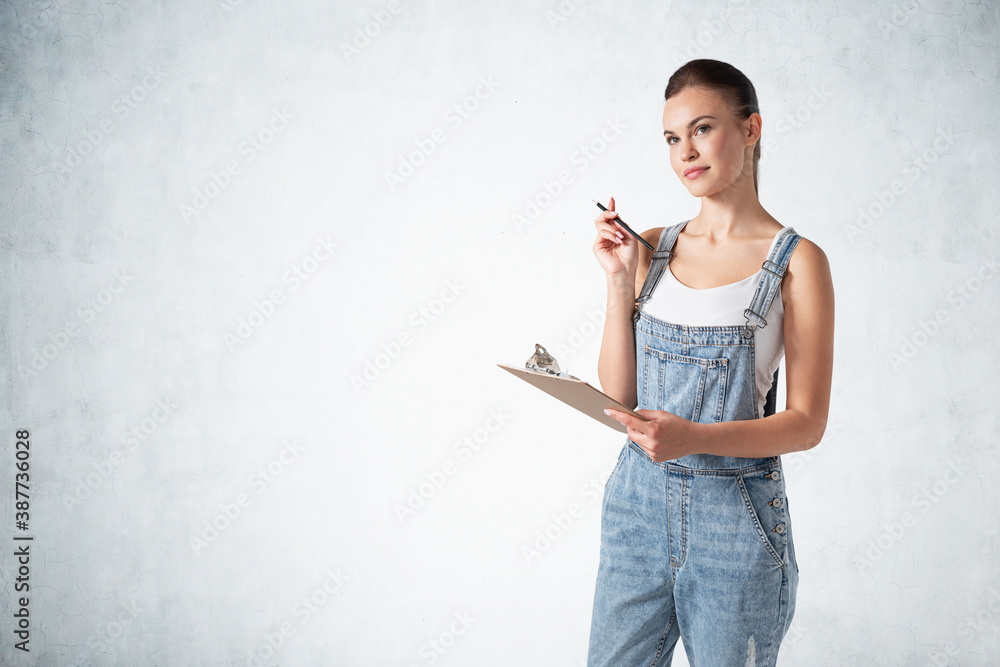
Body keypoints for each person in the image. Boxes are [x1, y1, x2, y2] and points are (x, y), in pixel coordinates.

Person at [587, 59, 835, 666]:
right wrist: (619, 284)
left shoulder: (798, 262)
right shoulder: (651, 245)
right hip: (636, 508)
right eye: (673, 138)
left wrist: (693, 437)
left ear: (751, 129)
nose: (685, 153)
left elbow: (806, 423)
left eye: (702, 129)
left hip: (736, 520)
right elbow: (619, 393)